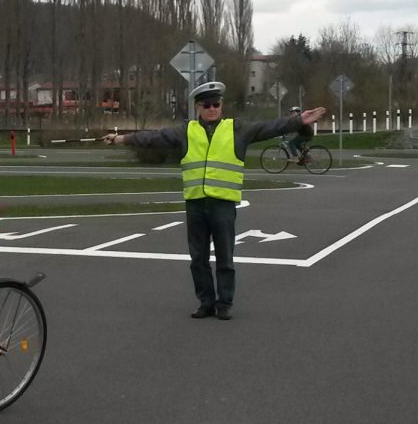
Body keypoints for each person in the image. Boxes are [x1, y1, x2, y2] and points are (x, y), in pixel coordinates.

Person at [103, 82, 324, 320]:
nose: (211, 109)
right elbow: (154, 138)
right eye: (206, 105)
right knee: (198, 258)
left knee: (225, 257)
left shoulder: (236, 129)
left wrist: (298, 121)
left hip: (223, 205)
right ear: (198, 107)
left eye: (216, 104)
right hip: (196, 204)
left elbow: (269, 127)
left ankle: (224, 303)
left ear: (221, 106)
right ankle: (205, 302)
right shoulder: (186, 131)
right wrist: (120, 139)